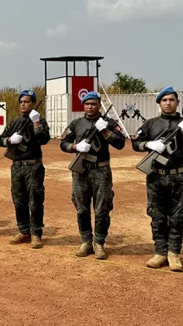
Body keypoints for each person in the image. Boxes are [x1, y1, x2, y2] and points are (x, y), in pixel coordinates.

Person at [132, 86, 183, 272]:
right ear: (159, 103)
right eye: (164, 100)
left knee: (178, 216)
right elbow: (135, 143)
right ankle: (160, 252)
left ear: (177, 102)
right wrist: (149, 144)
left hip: (179, 176)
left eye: (171, 100)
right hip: (156, 176)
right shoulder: (150, 124)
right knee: (157, 215)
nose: (168, 103)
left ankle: (174, 253)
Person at [60, 91, 126, 259]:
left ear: (99, 105)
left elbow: (120, 143)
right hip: (81, 170)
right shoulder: (76, 123)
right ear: (83, 105)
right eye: (87, 104)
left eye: (94, 104)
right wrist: (75, 147)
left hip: (101, 170)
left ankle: (99, 243)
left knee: (102, 208)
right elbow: (63, 143)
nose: (90, 107)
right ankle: (85, 241)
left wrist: (105, 132)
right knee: (81, 208)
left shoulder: (109, 123)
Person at [0, 90, 50, 248]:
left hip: (33, 165)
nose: (23, 104)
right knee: (19, 200)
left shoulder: (39, 120)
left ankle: (36, 233)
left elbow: (44, 139)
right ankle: (23, 230)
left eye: (27, 101)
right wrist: (9, 140)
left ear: (33, 103)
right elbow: (0, 139)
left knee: (35, 200)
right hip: (17, 167)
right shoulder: (15, 122)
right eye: (21, 101)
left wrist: (36, 124)